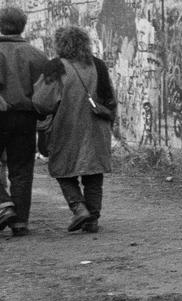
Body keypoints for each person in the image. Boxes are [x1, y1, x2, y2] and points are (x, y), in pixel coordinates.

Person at [32, 26, 118, 234]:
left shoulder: (55, 67)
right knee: (94, 172)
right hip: (97, 127)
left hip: (66, 127)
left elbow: (41, 101)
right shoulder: (97, 65)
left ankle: (79, 208)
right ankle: (92, 219)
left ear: (60, 44)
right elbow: (111, 99)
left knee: (62, 169)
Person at [0, 7, 52, 236]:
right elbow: (45, 94)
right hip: (25, 117)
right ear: (23, 26)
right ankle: (19, 222)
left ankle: (3, 205)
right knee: (22, 168)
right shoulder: (37, 55)